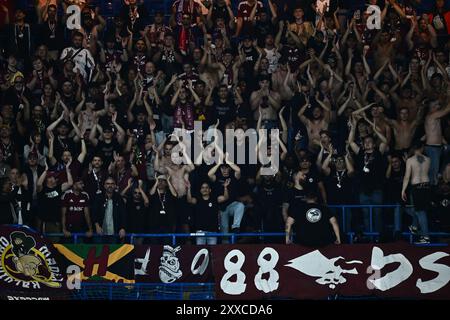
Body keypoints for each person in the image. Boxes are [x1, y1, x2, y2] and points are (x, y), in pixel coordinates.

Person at [402, 142, 432, 244]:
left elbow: (407, 177)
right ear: (422, 148)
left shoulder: (410, 160)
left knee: (420, 212)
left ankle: (425, 237)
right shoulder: (428, 160)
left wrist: (403, 190)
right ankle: (414, 227)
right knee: (419, 209)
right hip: (427, 187)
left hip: (417, 187)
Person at [187, 179, 230, 245]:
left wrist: (225, 187)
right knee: (201, 253)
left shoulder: (214, 200)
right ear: (200, 190)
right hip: (200, 231)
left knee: (212, 253)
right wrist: (189, 188)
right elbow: (189, 200)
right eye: (203, 188)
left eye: (207, 187)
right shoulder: (197, 200)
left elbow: (225, 198)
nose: (205, 189)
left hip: (212, 232)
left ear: (210, 190)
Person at [92, 177, 127, 242]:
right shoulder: (99, 197)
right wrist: (97, 226)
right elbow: (94, 213)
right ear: (104, 186)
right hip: (100, 232)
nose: (110, 185)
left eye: (112, 184)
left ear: (115, 186)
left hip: (115, 233)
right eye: (108, 184)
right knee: (100, 252)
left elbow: (123, 214)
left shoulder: (119, 198)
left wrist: (122, 228)